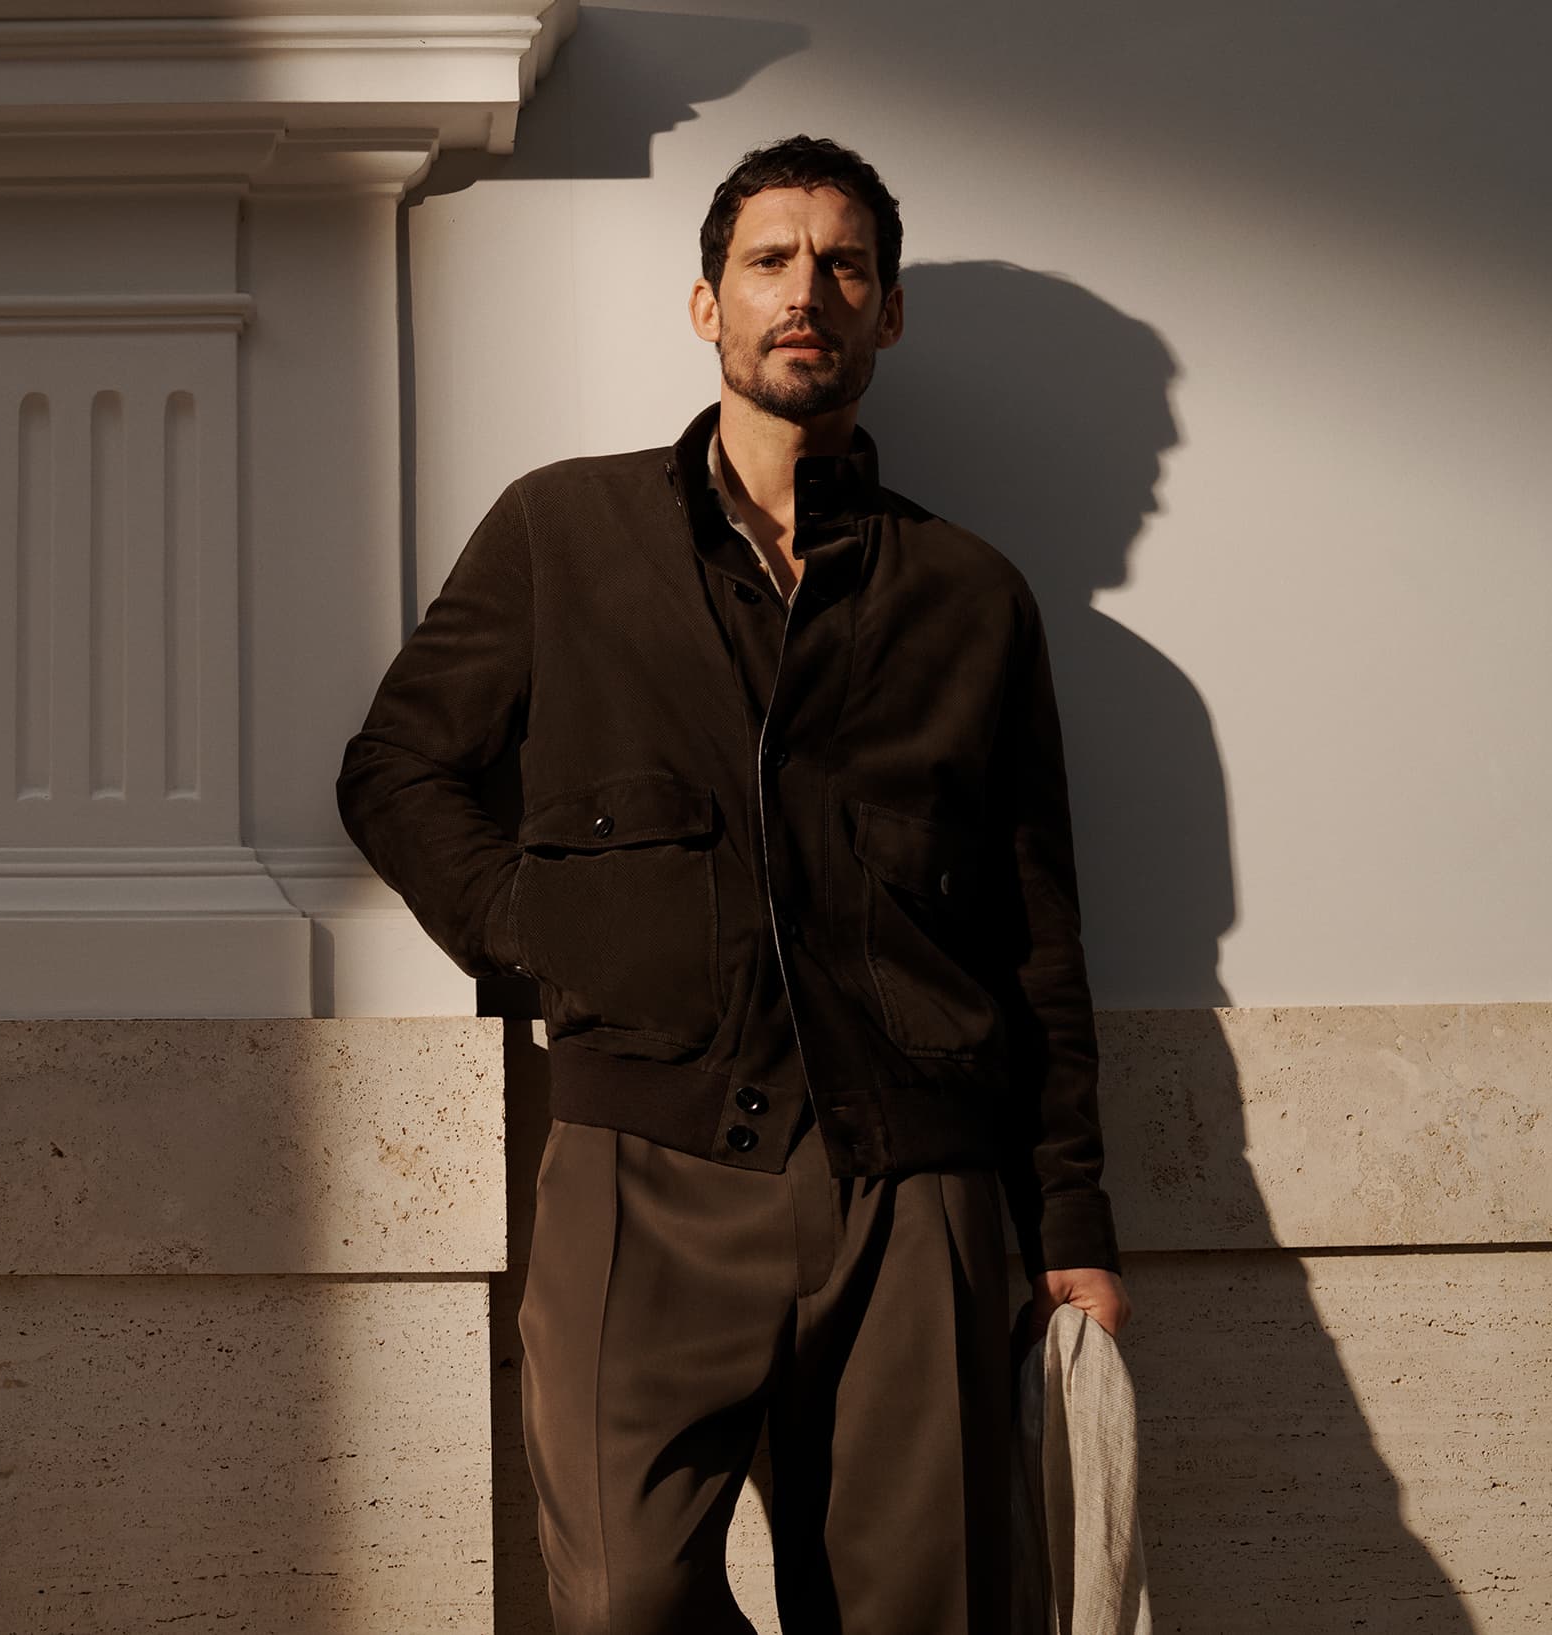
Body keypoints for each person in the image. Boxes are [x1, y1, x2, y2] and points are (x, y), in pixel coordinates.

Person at [334, 135, 1132, 1635]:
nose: (806, 291)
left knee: (927, 1612)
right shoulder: (564, 532)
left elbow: (1037, 933)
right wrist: (554, 941)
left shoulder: (971, 599)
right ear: (706, 303)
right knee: (624, 1595)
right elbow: (396, 771)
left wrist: (1070, 1219)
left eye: (844, 265)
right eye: (771, 260)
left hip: (917, 1185)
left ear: (888, 314)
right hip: (650, 1164)